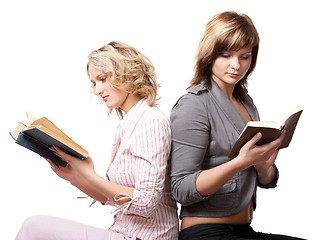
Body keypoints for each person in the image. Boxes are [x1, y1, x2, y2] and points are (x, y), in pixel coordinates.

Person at [16, 41, 179, 240]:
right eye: (94, 83)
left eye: (102, 79)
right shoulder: (129, 125)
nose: (97, 90)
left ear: (127, 74)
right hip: (125, 232)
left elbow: (145, 203)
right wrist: (75, 178)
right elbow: (116, 199)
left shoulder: (150, 122)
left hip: (145, 237)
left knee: (34, 226)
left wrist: (90, 174)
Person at [170, 11, 304, 240]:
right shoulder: (194, 104)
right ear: (209, 54)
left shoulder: (246, 103)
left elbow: (265, 179)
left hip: (243, 231)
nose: (236, 65)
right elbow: (181, 188)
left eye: (244, 56)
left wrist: (263, 166)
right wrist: (240, 162)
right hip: (205, 233)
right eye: (225, 55)